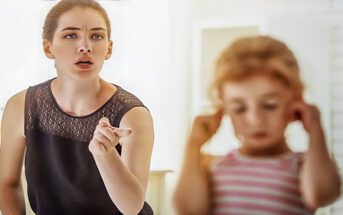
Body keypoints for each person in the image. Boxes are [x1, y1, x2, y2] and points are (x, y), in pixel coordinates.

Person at [0, 0, 154, 214]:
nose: (85, 46)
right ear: (48, 47)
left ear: (109, 48)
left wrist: (106, 155)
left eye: (97, 36)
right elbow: (7, 183)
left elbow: (132, 207)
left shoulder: (133, 115)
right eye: (70, 35)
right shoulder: (21, 106)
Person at [173, 35, 341, 215]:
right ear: (224, 108)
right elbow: (188, 210)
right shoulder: (212, 166)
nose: (255, 119)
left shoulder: (302, 166)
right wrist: (193, 145)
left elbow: (323, 195)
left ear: (296, 100)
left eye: (269, 105)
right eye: (239, 108)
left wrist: (315, 129)